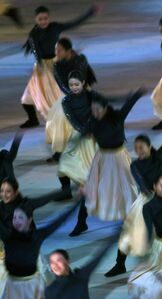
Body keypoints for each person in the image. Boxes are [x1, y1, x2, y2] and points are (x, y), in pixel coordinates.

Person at [105, 108, 162, 277]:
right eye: (136, 148)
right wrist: (154, 193)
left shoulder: (160, 156)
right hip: (147, 200)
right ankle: (120, 264)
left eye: (142, 147)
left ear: (149, 146)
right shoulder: (135, 166)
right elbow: (143, 186)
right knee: (129, 233)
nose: (138, 150)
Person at [0, 200, 80, 299]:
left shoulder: (37, 236)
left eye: (20, 218)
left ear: (29, 220)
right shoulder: (8, 236)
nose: (16, 221)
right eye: (14, 218)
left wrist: (77, 202)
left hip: (32, 286)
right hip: (13, 287)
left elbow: (59, 221)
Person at [20, 4, 99, 128]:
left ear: (48, 18)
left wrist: (90, 13)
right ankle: (33, 119)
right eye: (40, 19)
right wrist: (40, 64)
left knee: (60, 91)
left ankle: (74, 115)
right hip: (43, 66)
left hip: (57, 62)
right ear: (36, 19)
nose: (43, 21)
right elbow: (36, 51)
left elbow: (74, 23)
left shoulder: (55, 27)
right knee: (27, 97)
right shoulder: (33, 34)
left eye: (45, 18)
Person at [81, 89, 144, 229]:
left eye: (97, 109)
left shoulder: (117, 116)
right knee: (95, 188)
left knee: (127, 187)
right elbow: (84, 133)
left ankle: (131, 215)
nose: (95, 112)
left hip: (119, 156)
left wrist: (137, 94)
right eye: (93, 110)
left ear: (105, 108)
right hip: (102, 158)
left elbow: (128, 105)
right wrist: (86, 132)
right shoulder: (92, 121)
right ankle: (81, 222)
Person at [56, 70, 99, 235]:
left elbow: (97, 112)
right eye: (71, 85)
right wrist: (83, 130)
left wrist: (90, 128)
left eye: (76, 84)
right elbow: (72, 119)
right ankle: (81, 221)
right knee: (81, 180)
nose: (73, 87)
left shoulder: (92, 96)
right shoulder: (66, 101)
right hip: (80, 138)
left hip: (95, 137)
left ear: (83, 83)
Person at [44, 37, 97, 163]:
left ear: (68, 51)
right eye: (56, 49)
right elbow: (62, 85)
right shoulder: (56, 65)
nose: (56, 52)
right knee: (59, 121)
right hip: (69, 94)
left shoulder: (81, 60)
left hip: (84, 92)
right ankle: (59, 151)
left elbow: (84, 79)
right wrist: (73, 97)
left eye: (60, 50)